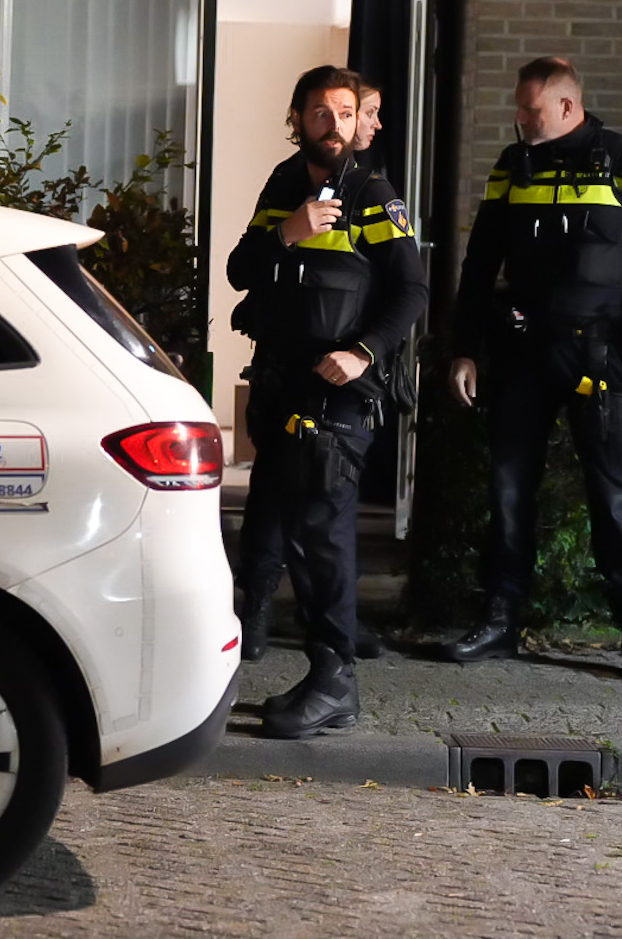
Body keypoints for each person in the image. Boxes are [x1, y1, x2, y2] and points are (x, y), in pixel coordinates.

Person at [442, 55, 622, 680]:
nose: (521, 118)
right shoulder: (513, 165)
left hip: (602, 356)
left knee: (616, 497)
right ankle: (500, 619)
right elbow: (479, 265)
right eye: (518, 107)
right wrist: (465, 348)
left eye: (531, 109)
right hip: (522, 353)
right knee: (508, 491)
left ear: (566, 105)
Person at [228, 65, 427, 738]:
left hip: (336, 394)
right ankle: (317, 675)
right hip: (281, 383)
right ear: (298, 119)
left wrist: (364, 352)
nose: (335, 125)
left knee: (324, 536)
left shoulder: (373, 192)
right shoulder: (285, 184)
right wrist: (288, 231)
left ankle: (335, 681)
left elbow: (412, 291)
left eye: (345, 113)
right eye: (321, 113)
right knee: (290, 525)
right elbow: (239, 270)